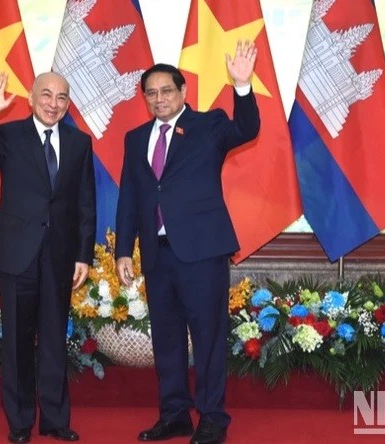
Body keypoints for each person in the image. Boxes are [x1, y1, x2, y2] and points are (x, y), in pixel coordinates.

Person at [115, 41, 259, 444]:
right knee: (166, 340)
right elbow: (130, 195)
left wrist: (243, 86)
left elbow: (246, 129)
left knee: (209, 338)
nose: (159, 98)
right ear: (144, 98)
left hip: (201, 253)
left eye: (166, 91)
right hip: (157, 256)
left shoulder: (209, 126)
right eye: (151, 93)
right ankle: (174, 414)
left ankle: (212, 418)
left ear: (182, 93)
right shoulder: (135, 137)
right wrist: (124, 249)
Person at [0, 71, 95, 443]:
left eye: (62, 98)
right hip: (17, 255)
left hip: (60, 257)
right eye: (47, 95)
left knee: (55, 340)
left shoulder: (79, 142)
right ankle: (20, 422)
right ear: (31, 98)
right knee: (19, 343)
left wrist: (83, 255)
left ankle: (56, 420)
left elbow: (85, 203)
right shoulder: (7, 135)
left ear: (68, 104)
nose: (54, 104)